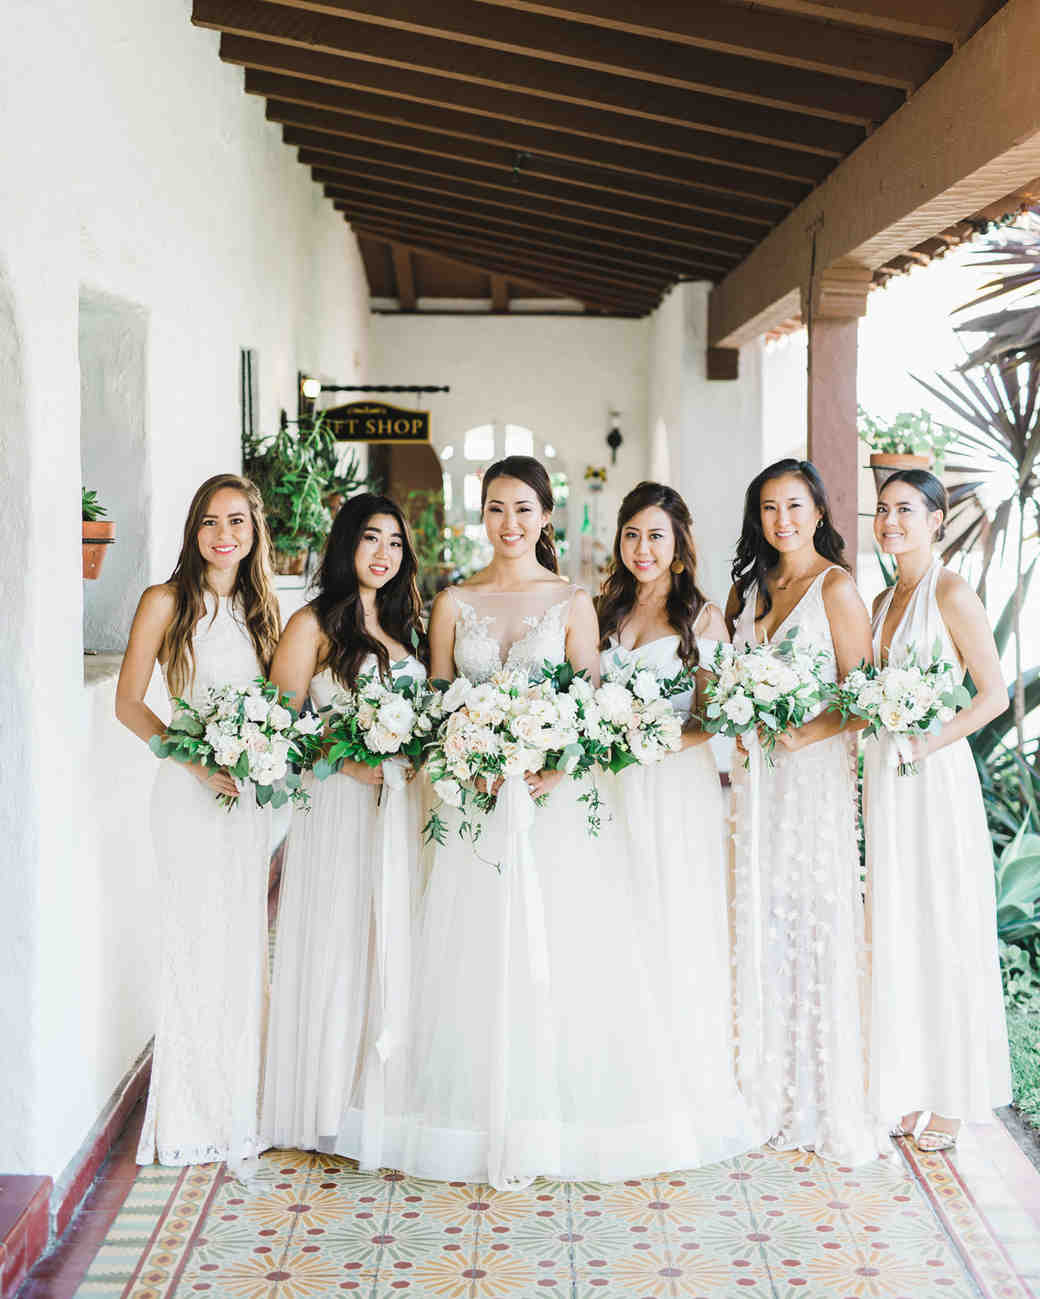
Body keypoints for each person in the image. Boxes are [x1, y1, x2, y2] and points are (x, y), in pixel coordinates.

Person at [349, 455, 695, 1189]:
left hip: (553, 805)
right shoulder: (452, 602)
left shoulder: (571, 601)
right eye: (497, 509)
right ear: (483, 516)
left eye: (525, 509)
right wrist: (466, 756)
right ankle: (471, 1110)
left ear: (547, 516)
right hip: (473, 804)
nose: (511, 524)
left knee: (562, 948)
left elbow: (590, 705)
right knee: (472, 949)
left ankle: (554, 1114)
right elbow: (437, 707)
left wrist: (556, 767)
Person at [115, 473, 281, 1174]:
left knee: (242, 942)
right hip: (187, 796)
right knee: (193, 939)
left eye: (236, 522)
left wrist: (262, 760)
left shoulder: (264, 607)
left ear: (253, 531)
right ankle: (188, 1115)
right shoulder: (164, 601)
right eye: (211, 521)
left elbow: (278, 704)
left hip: (244, 798)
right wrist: (194, 760)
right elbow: (128, 703)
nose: (223, 534)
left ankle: (241, 1105)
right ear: (194, 530)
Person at [597, 481, 762, 1165]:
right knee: (615, 917)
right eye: (632, 534)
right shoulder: (602, 608)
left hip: (675, 786)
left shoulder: (703, 619)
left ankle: (681, 1081)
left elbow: (716, 715)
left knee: (673, 916)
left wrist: (654, 739)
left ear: (679, 544)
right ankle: (616, 1072)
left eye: (656, 535)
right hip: (608, 785)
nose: (643, 548)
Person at [262, 494, 427, 1168]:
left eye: (394, 541)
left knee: (386, 941)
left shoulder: (402, 630)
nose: (383, 553)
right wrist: (347, 761)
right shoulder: (311, 624)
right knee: (337, 937)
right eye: (370, 538)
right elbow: (279, 729)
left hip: (401, 810)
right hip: (339, 810)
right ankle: (325, 1102)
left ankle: (376, 1099)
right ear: (344, 545)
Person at [726, 458, 877, 1164]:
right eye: (768, 508)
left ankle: (816, 1097)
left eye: (794, 505)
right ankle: (765, 1086)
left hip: (811, 781)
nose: (781, 520)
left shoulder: (836, 588)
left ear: (819, 511)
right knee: (763, 919)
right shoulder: (754, 589)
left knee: (812, 920)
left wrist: (807, 730)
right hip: (759, 781)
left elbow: (863, 697)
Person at [866, 468, 1011, 1151]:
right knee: (899, 925)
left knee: (942, 921)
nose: (890, 519)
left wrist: (927, 741)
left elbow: (994, 695)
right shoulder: (880, 597)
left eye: (905, 509)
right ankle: (910, 1084)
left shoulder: (951, 592)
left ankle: (953, 1097)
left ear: (935, 519)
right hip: (886, 777)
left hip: (934, 777)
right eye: (882, 508)